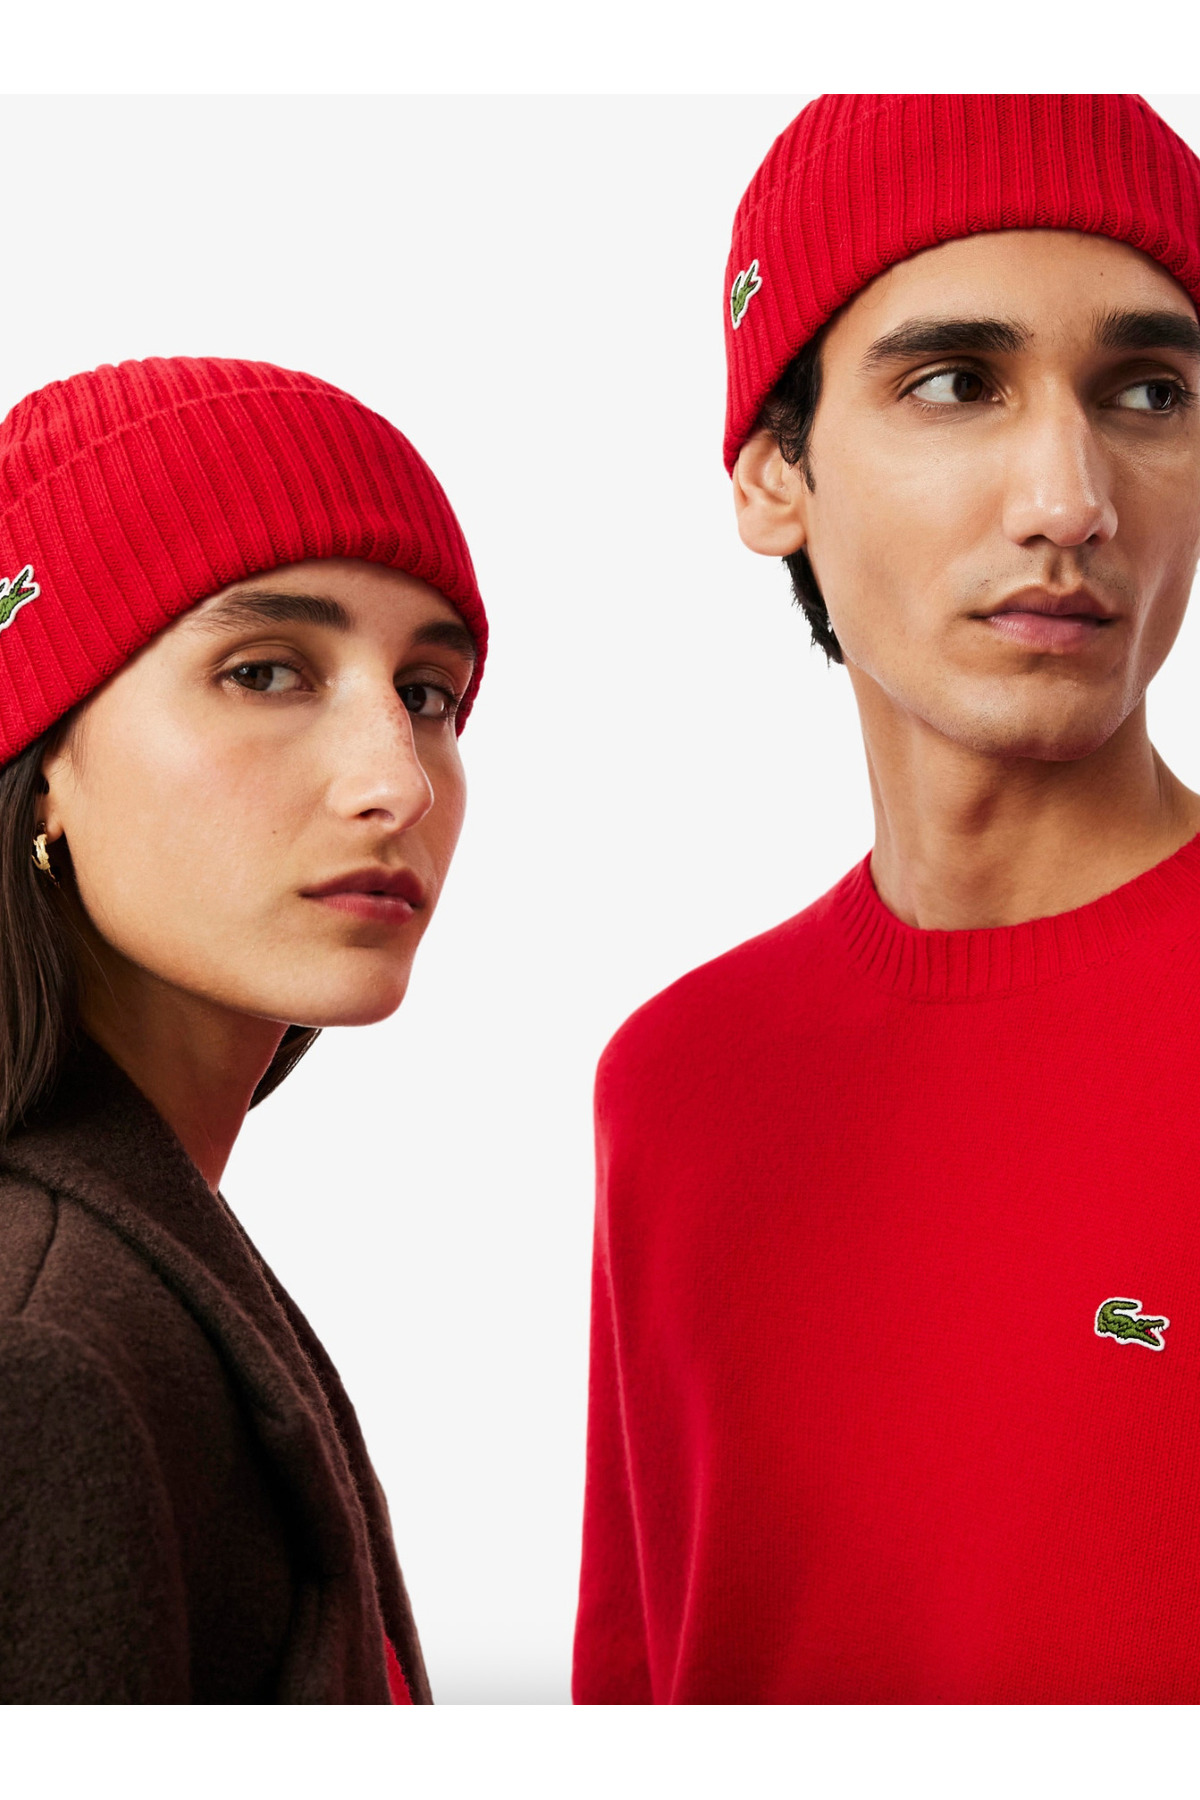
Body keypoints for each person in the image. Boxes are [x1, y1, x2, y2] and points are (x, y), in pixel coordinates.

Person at [572, 94, 1200, 1703]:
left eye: (1148, 392)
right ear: (772, 474)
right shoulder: (680, 1087)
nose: (1071, 499)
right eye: (955, 383)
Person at [0, 355, 487, 1703]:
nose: (396, 781)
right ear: (44, 765)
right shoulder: (44, 1349)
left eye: (428, 694)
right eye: (265, 671)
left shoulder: (147, 1269)